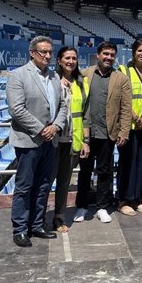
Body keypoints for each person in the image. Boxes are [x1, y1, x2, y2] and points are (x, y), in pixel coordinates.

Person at [7, 36, 67, 247]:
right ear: (32, 53)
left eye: (50, 52)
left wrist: (56, 127)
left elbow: (63, 107)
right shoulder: (18, 76)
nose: (48, 56)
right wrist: (41, 129)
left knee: (43, 185)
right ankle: (20, 228)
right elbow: (17, 109)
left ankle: (37, 224)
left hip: (50, 141)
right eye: (44, 52)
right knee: (24, 186)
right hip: (29, 140)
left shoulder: (53, 77)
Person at [74, 41, 131, 224]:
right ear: (98, 55)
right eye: (105, 54)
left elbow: (126, 108)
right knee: (85, 171)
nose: (108, 58)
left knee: (105, 172)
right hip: (87, 133)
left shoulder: (121, 79)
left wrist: (124, 131)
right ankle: (81, 206)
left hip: (108, 133)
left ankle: (102, 207)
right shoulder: (84, 75)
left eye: (112, 55)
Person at [117, 39, 142, 216]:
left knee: (140, 164)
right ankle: (123, 200)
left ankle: (136, 199)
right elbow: (121, 97)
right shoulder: (124, 71)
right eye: (139, 50)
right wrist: (135, 116)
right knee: (126, 163)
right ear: (133, 52)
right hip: (130, 125)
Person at [51, 46, 89, 232]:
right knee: (46, 180)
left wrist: (85, 140)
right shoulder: (51, 81)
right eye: (67, 57)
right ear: (59, 60)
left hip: (72, 140)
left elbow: (85, 114)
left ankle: (59, 216)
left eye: (74, 58)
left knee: (64, 181)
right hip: (53, 140)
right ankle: (37, 217)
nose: (71, 61)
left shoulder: (81, 83)